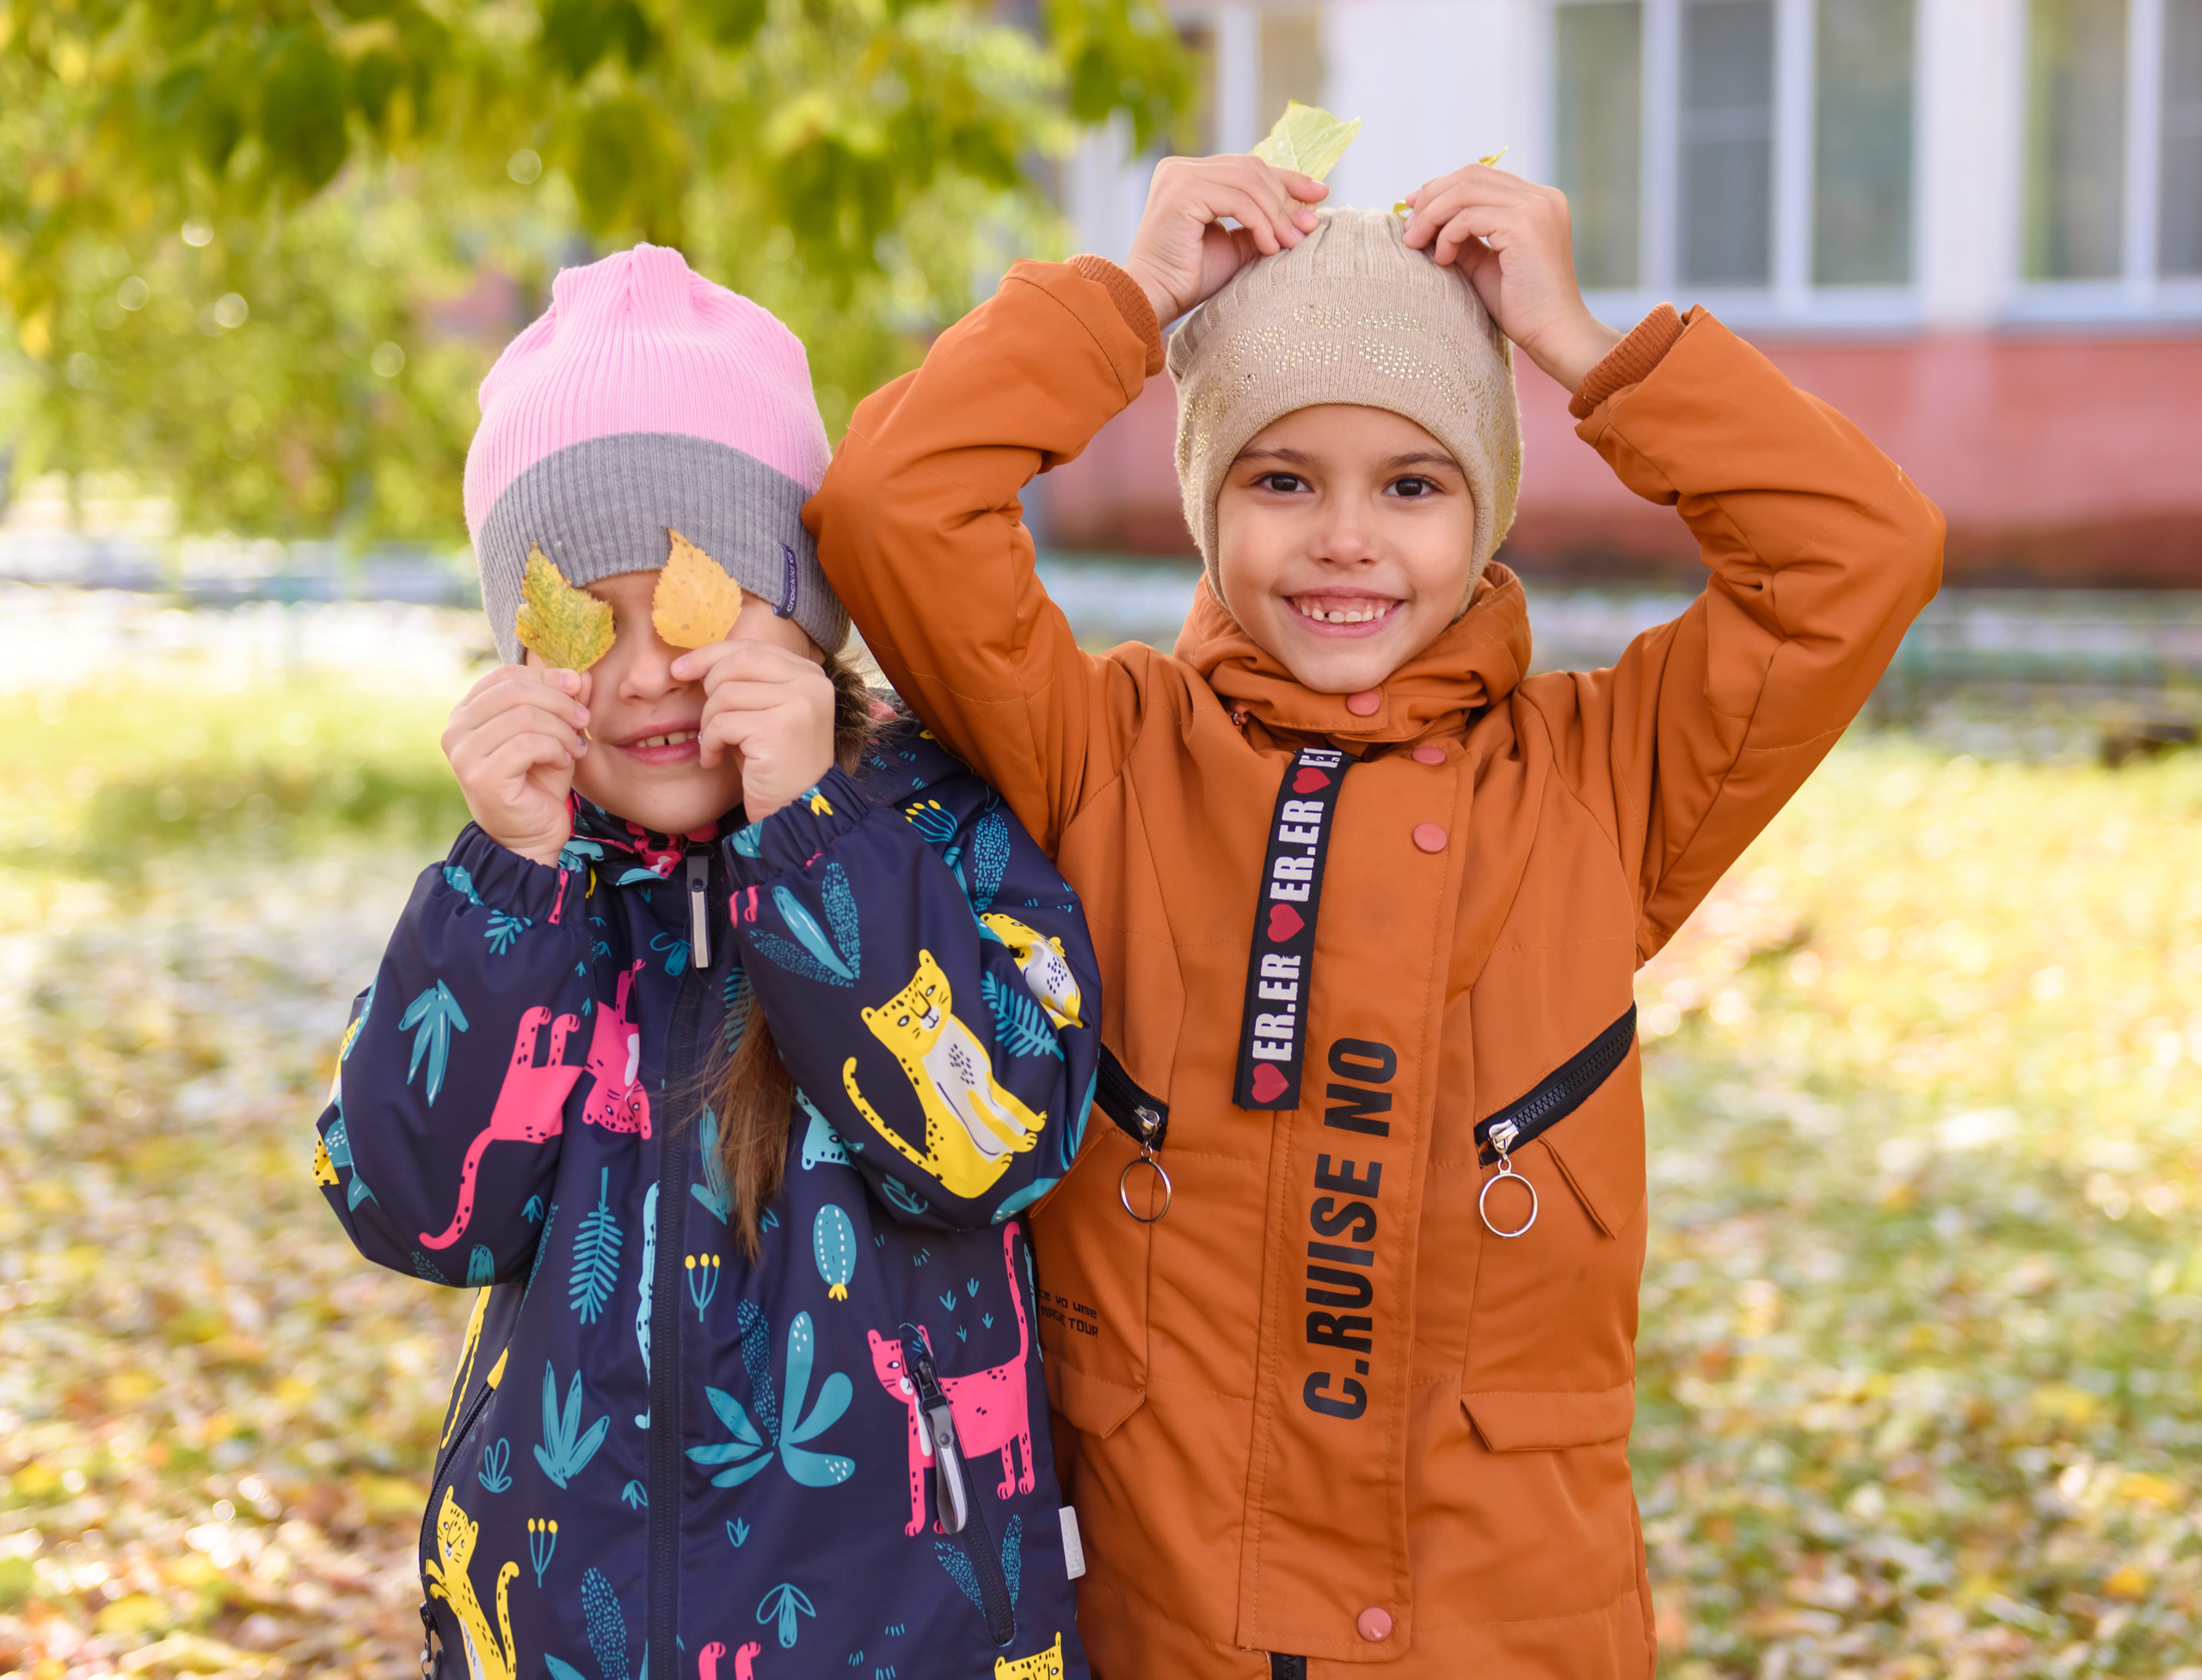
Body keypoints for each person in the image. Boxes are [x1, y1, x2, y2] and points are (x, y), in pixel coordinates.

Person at [806, 155, 1945, 1677]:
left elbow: (1860, 552)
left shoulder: (1599, 786)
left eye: (1413, 484)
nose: (1346, 538)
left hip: (1499, 1632)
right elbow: (891, 505)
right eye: (1282, 480)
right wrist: (1130, 300)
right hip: (1174, 1621)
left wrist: (1585, 347)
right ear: (1209, 501)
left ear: (1488, 508)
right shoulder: (1107, 756)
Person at [312, 244, 1098, 1680]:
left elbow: (992, 1143)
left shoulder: (941, 835)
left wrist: (811, 842)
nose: (643, 674)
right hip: (563, 1631)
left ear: (804, 612)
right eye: (577, 623)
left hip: (901, 1633)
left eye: (690, 600)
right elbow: (415, 1209)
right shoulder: (537, 890)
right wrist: (504, 885)